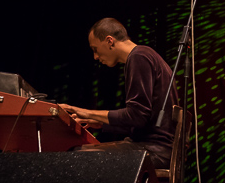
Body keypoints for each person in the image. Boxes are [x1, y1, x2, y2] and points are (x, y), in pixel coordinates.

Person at [59, 18, 176, 170]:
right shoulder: (145, 55)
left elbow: (137, 116)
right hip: (155, 146)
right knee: (80, 151)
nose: (95, 57)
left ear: (109, 41)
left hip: (154, 150)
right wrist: (101, 124)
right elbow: (141, 121)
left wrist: (86, 112)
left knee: (76, 155)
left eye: (95, 49)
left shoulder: (139, 57)